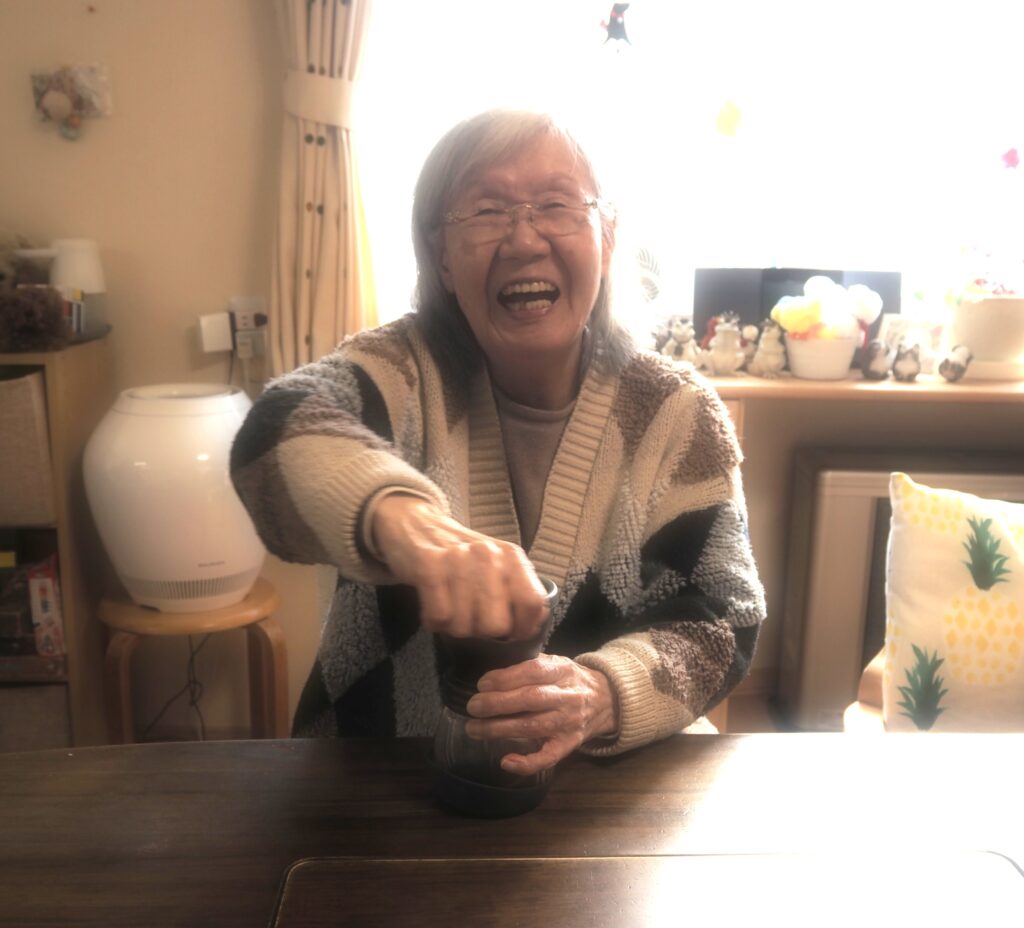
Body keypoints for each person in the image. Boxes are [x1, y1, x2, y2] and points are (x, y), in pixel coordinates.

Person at [230, 109, 765, 776]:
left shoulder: (677, 413)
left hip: (599, 791)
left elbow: (722, 619)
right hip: (377, 776)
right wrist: (407, 524)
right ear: (442, 257)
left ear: (606, 236)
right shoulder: (399, 370)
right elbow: (275, 432)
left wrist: (600, 694)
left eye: (556, 205)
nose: (524, 239)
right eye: (486, 211)